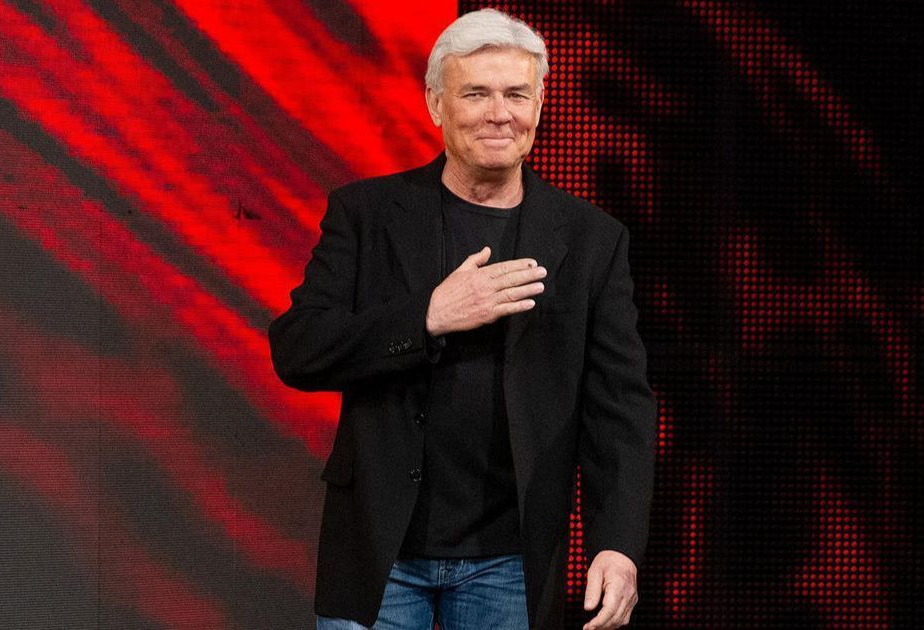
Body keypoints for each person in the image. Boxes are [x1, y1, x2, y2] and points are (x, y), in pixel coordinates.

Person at [269, 9, 656, 630]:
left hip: (510, 561)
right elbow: (298, 348)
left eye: (515, 94)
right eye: (475, 93)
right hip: (380, 555)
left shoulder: (591, 239)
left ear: (538, 105)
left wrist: (618, 543)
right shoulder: (366, 213)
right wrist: (428, 316)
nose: (498, 113)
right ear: (435, 104)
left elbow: (620, 407)